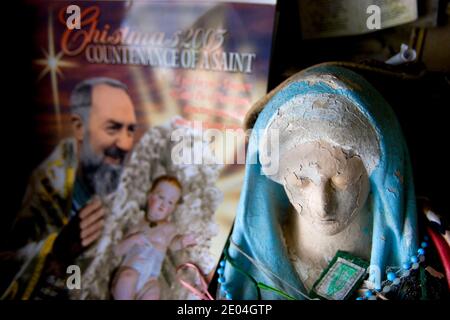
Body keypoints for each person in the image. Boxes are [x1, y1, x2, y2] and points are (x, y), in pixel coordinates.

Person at [216, 64, 449, 300]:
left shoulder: (423, 258)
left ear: (377, 172)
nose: (323, 205)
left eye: (341, 179)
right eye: (301, 181)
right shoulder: (243, 269)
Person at [1, 77, 137, 300]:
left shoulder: (130, 193)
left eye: (130, 130)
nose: (125, 144)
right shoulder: (42, 189)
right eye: (113, 128)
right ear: (79, 127)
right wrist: (56, 251)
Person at [111, 176, 197, 300]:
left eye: (170, 202)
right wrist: (133, 239)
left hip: (150, 279)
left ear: (173, 209)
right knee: (127, 277)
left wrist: (182, 241)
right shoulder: (138, 224)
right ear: (150, 196)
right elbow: (118, 250)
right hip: (130, 269)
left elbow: (173, 244)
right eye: (161, 197)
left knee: (154, 291)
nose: (163, 204)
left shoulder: (169, 228)